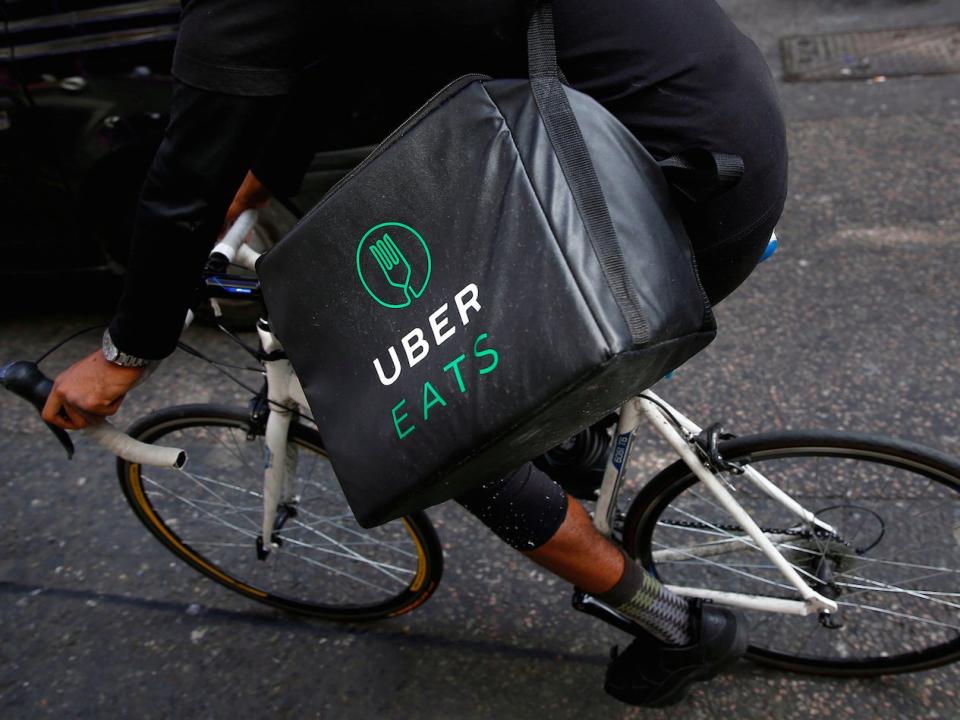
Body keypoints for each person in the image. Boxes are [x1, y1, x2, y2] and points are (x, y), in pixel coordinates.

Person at [41, 0, 787, 707]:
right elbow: (331, 56)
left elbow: (180, 189)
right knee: (488, 360)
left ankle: (677, 628)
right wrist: (259, 182)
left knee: (433, 424)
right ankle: (572, 437)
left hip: (659, 186)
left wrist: (123, 355)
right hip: (704, 117)